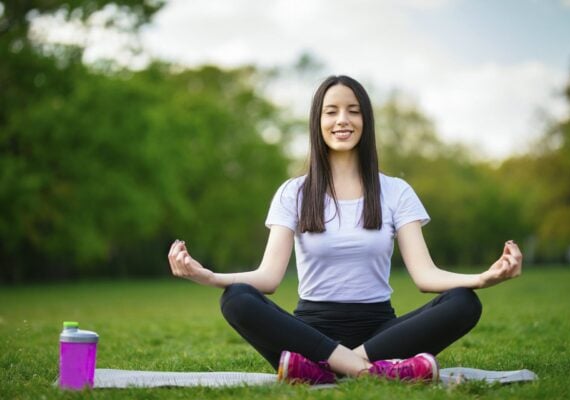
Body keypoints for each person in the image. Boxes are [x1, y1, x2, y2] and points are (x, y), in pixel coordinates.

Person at [168, 75, 523, 385]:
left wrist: (482, 279)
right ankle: (371, 371)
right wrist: (209, 276)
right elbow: (269, 278)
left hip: (381, 333)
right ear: (317, 122)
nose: (343, 120)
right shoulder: (294, 192)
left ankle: (322, 370)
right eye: (331, 111)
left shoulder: (396, 191)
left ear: (366, 120)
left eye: (353, 110)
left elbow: (425, 275)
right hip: (307, 333)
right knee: (236, 298)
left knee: (463, 302)